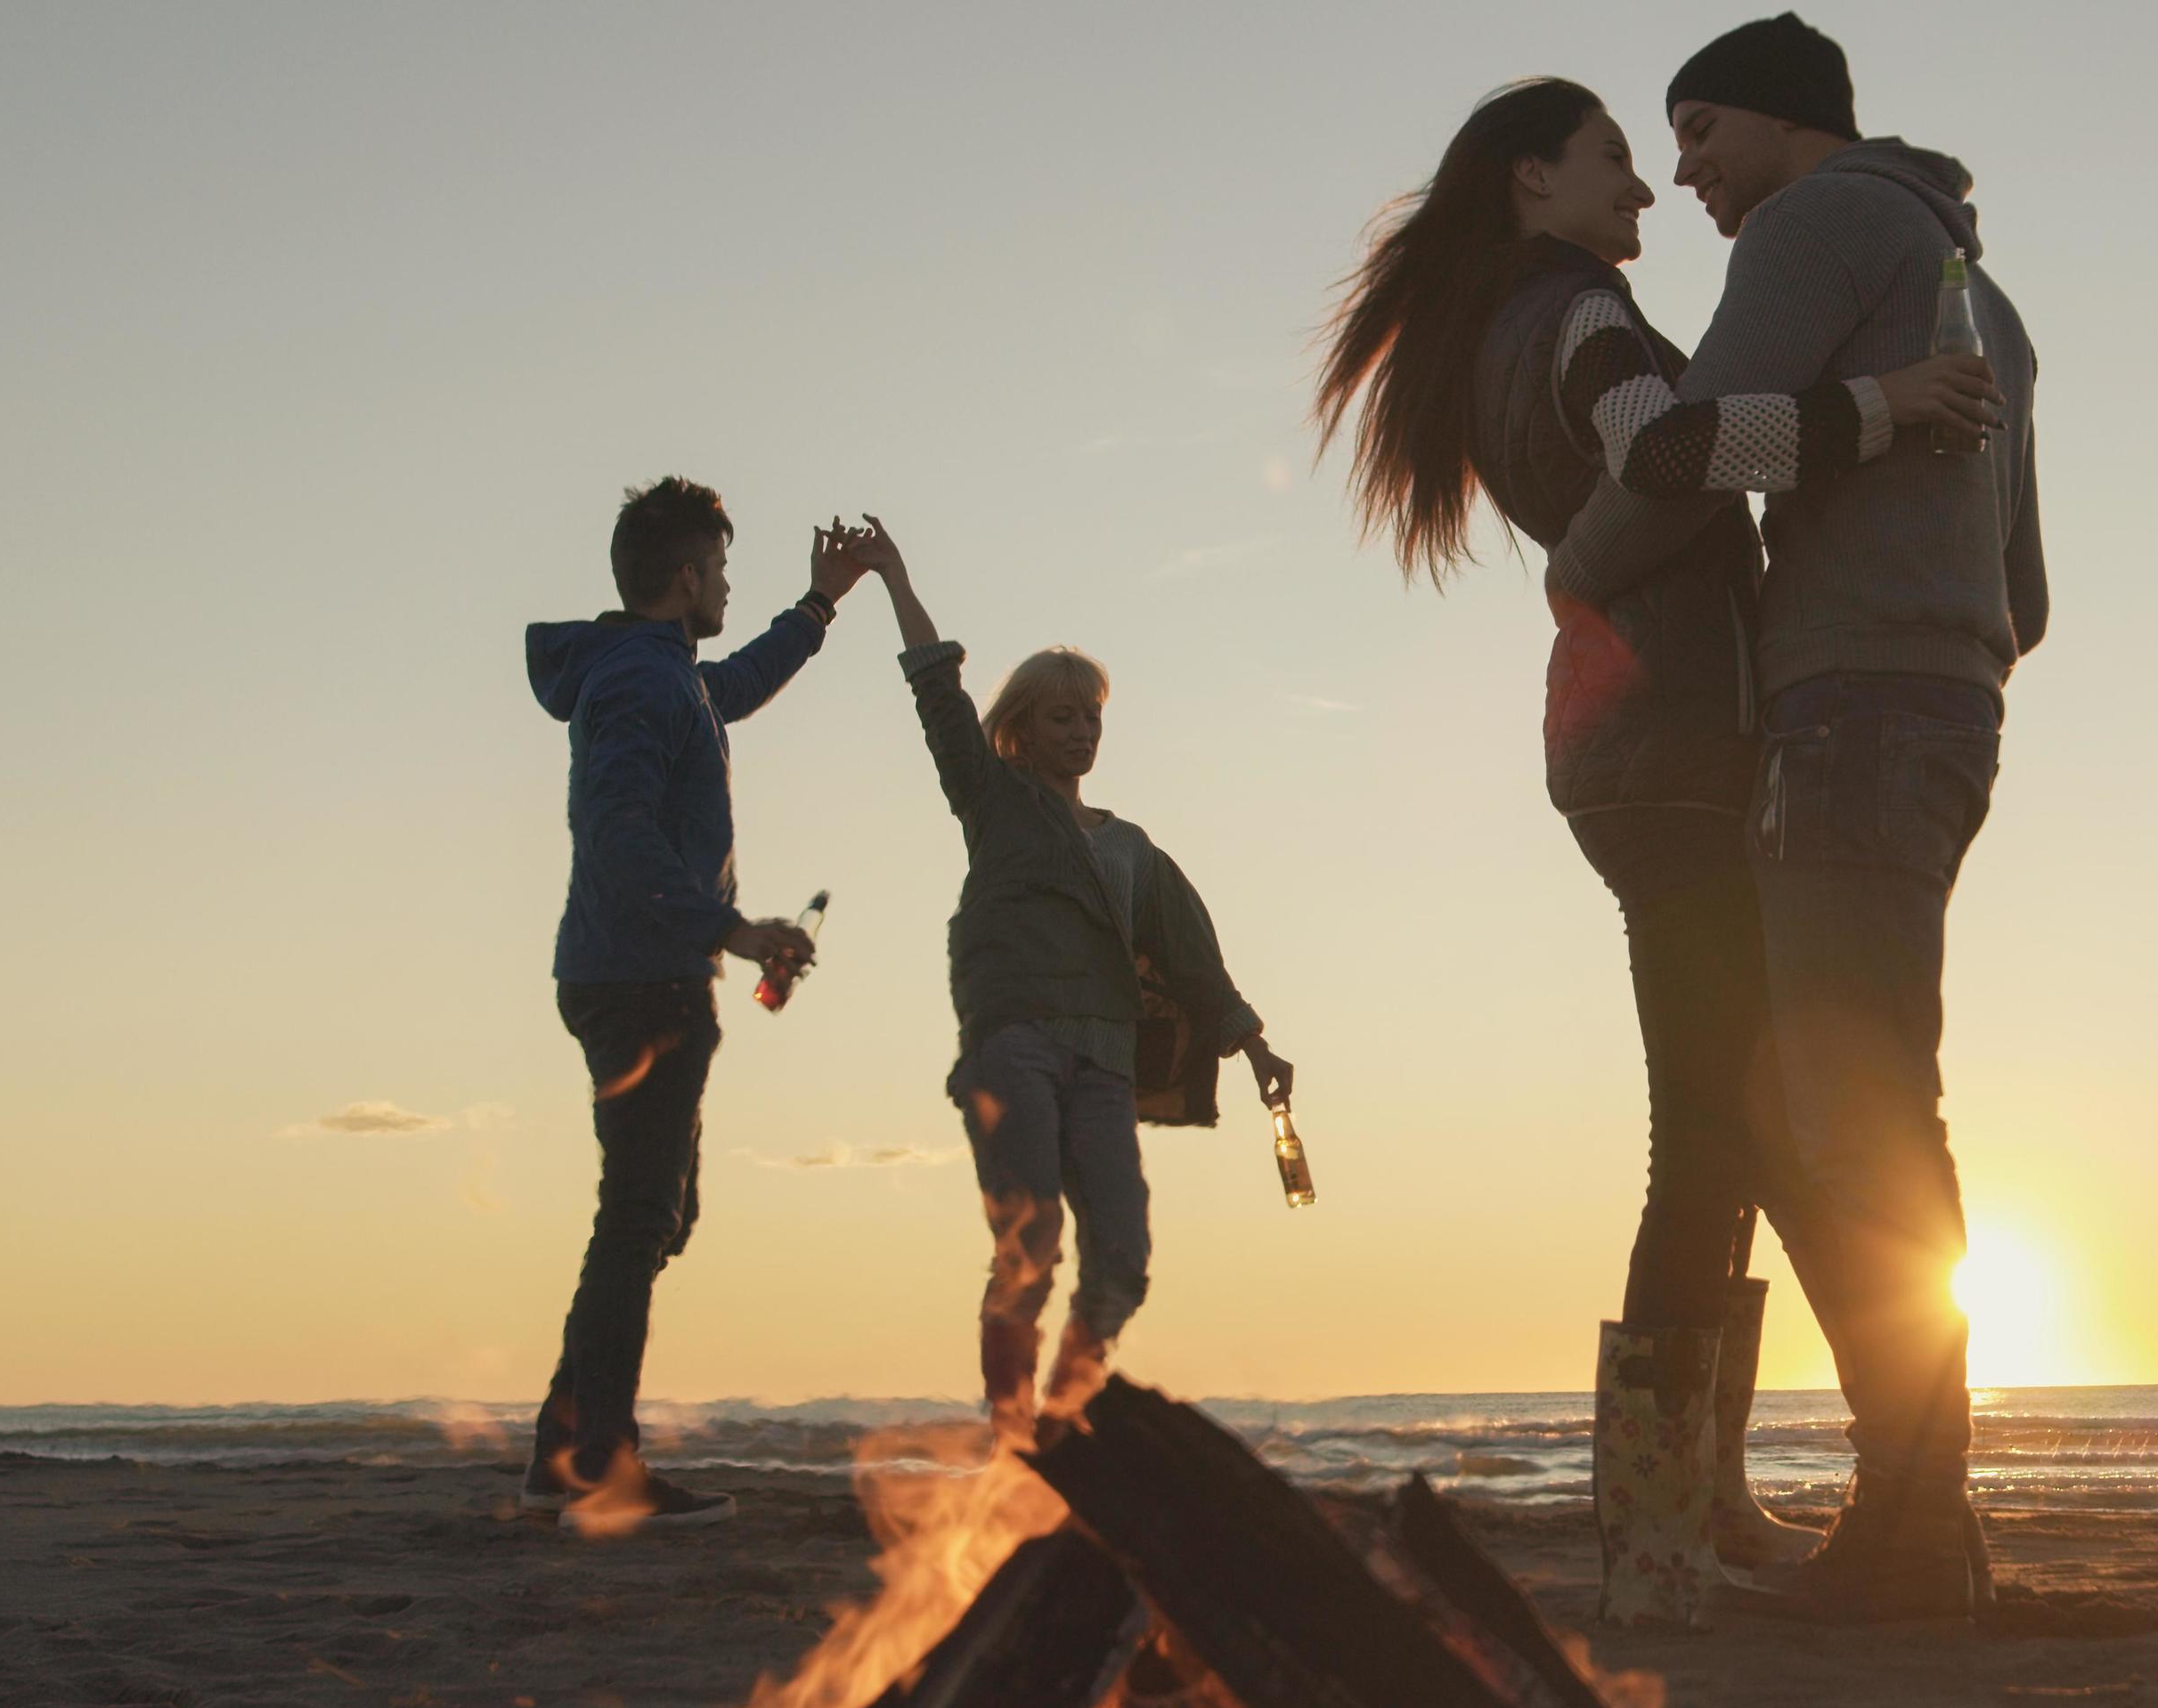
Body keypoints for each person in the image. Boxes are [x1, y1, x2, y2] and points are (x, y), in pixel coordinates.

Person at [1312, 78, 2000, 1625]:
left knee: (1723, 1123)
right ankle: (1695, 1525)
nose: (1642, 185)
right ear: (1528, 184)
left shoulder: (1501, 331)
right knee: (1723, 1129)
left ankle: (1704, 1508)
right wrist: (1881, 408)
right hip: (1679, 742)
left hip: (1630, 742)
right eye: (1613, 156)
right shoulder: (1578, 317)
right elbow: (1678, 452)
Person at [1545, 12, 2048, 1624]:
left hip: (1843, 715)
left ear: (1782, 126)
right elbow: (2025, 593)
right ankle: (1919, 1519)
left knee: (1852, 1113)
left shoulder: (1815, 226)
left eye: (1699, 132)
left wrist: (1581, 562)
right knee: (1858, 1091)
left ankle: (1912, 1530)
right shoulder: (1984, 293)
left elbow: (1691, 449)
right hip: (1951, 713)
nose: (1682, 169)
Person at [842, 516, 1292, 1441]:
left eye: (1091, 714)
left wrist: (1254, 1047)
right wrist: (891, 573)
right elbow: (936, 690)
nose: (1082, 729)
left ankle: (1058, 1427)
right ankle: (1011, 1436)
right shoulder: (994, 800)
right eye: (1062, 715)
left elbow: (1194, 961)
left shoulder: (1131, 849)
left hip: (1105, 1063)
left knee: (1121, 1258)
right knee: (1031, 1244)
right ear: (1020, 729)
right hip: (1014, 1045)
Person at [518, 477, 863, 1532]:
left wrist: (815, 610)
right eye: (718, 568)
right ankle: (595, 1463)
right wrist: (731, 929)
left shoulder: (663, 674)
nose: (724, 584)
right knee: (637, 1220)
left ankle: (566, 1447)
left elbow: (733, 685)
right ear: (684, 576)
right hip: (640, 981)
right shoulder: (636, 682)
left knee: (658, 1216)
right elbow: (614, 830)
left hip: (641, 974)